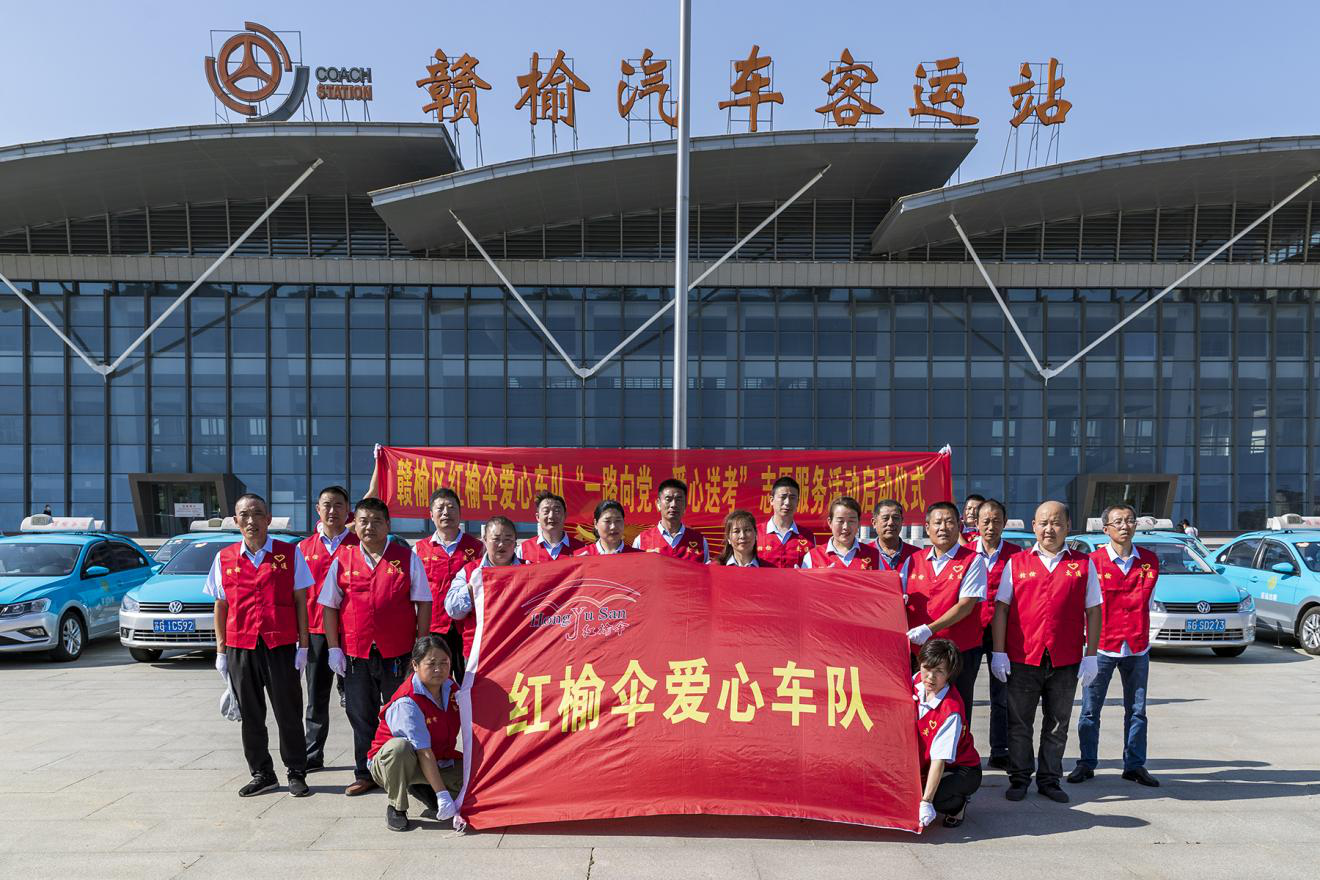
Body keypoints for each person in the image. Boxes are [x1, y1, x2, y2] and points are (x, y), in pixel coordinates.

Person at [989, 500, 1102, 804]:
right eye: (1043, 523)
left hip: (1065, 658)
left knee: (1057, 723)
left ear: (1067, 527)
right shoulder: (1018, 562)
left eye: (1056, 523)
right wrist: (998, 652)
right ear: (1034, 526)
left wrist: (1091, 654)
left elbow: (1093, 611)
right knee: (1019, 722)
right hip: (1024, 656)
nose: (1049, 529)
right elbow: (1001, 609)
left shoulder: (1083, 564)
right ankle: (1019, 777)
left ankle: (1050, 779)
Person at [320, 497, 433, 797]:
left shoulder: (406, 558)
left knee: (402, 712)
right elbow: (329, 606)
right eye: (363, 521)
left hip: (398, 654)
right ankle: (366, 772)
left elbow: (423, 602)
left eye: (376, 521)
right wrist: (334, 648)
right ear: (354, 525)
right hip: (356, 654)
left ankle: (406, 771)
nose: (369, 527)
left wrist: (420, 649)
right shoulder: (342, 559)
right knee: (361, 714)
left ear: (388, 525)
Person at [206, 492, 314, 797]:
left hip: (280, 645)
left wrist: (303, 646)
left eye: (257, 514)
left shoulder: (288, 554)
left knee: (287, 712)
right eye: (244, 515)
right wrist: (220, 650)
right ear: (236, 520)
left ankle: (296, 771)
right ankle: (262, 773)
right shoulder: (224, 558)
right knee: (251, 715)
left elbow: (300, 602)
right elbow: (220, 605)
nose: (251, 521)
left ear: (268, 519)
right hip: (241, 646)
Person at [1069, 504, 1161, 788]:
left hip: (1136, 647)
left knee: (1137, 710)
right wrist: (1088, 650)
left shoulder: (1149, 561)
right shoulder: (1091, 562)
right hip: (1102, 648)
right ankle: (1086, 763)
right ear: (1105, 528)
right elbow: (1083, 607)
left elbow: (1150, 601)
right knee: (1089, 710)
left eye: (1130, 520)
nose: (1125, 526)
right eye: (1117, 521)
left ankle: (1134, 765)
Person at [367, 635, 462, 832]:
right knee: (399, 748)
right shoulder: (407, 701)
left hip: (437, 758)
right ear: (415, 665)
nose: (439, 669)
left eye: (444, 662)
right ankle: (397, 807)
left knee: (472, 782)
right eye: (431, 663)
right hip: (392, 763)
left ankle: (421, 786)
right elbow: (423, 752)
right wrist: (443, 795)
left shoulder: (451, 687)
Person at [901, 501, 987, 715]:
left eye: (949, 522)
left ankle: (959, 749)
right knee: (920, 708)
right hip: (921, 655)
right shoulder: (912, 561)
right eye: (937, 522)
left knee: (957, 708)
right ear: (927, 527)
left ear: (959, 526)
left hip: (959, 652)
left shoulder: (973, 561)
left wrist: (929, 629)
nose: (943, 528)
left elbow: (966, 606)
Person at [298, 485, 359, 772]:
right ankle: (312, 753)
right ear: (317, 509)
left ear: (349, 511)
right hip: (315, 632)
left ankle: (369, 754)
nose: (332, 511)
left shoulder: (360, 544)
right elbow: (295, 595)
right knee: (316, 696)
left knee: (357, 699)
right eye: (327, 505)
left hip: (352, 632)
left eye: (338, 505)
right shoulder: (303, 548)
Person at [972, 498, 1023, 772]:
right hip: (969, 631)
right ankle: (961, 748)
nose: (990, 526)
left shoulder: (1017, 555)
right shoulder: (965, 552)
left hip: (1003, 634)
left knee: (1001, 694)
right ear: (976, 523)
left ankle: (1000, 749)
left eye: (996, 520)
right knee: (962, 692)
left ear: (1004, 522)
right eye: (985, 520)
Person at [413, 487, 484, 683]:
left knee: (467, 682)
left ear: (460, 513)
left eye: (451, 507)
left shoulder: (478, 548)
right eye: (440, 508)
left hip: (468, 629)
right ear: (431, 515)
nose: (446, 513)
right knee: (435, 682)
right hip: (434, 628)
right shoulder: (419, 550)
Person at [915, 638, 982, 829]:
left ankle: (957, 806)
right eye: (927, 668)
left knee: (937, 799)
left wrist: (926, 801)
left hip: (961, 767)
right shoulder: (915, 682)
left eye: (939, 672)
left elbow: (939, 760)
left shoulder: (950, 711)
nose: (930, 677)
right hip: (925, 763)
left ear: (950, 674)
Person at [446, 516, 525, 666]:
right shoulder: (470, 571)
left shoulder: (530, 570)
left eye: (508, 539)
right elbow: (452, 610)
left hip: (518, 651)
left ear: (515, 541)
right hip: (479, 653)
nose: (502, 544)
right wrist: (472, 587)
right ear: (485, 540)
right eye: (495, 539)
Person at [633, 478, 710, 562]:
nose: (673, 505)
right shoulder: (641, 541)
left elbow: (706, 573)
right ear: (658, 503)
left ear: (685, 505)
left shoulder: (700, 541)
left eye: (678, 500)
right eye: (668, 499)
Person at [802, 496, 881, 570]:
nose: (845, 527)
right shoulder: (813, 557)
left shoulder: (874, 556)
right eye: (840, 521)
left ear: (859, 523)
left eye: (851, 521)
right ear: (830, 522)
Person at [757, 476, 814, 568]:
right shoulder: (756, 533)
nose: (787, 502)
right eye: (783, 497)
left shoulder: (808, 537)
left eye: (792, 498)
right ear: (771, 500)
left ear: (798, 502)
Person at [518, 491, 586, 562]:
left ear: (565, 515)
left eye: (556, 511)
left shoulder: (582, 549)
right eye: (546, 511)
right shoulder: (523, 550)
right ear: (538, 517)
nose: (551, 516)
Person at [574, 500, 640, 556]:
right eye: (607, 521)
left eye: (618, 520)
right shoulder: (580, 555)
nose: (613, 527)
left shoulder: (638, 556)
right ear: (596, 523)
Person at [871, 499, 918, 572]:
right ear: (874, 523)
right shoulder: (863, 554)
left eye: (895, 518)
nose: (890, 523)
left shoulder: (916, 555)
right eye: (885, 518)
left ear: (902, 521)